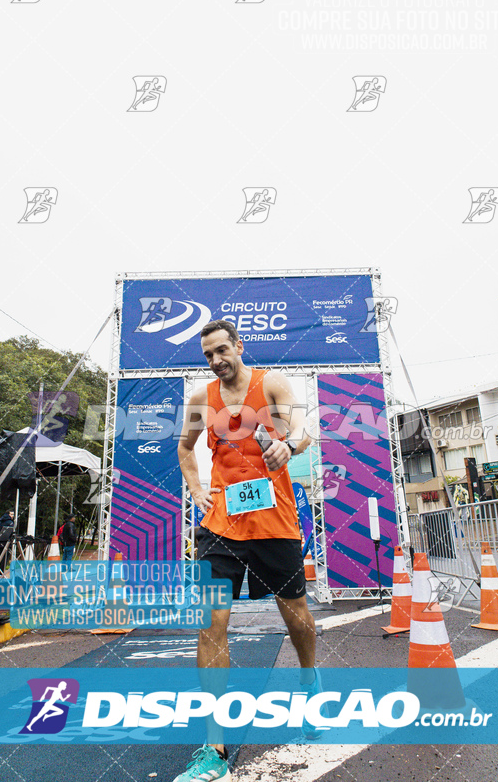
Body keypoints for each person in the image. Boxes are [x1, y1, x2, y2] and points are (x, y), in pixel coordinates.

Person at [174, 320, 320, 782]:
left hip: (274, 522)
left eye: (222, 350)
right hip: (220, 527)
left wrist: (288, 446)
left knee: (296, 615)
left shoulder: (270, 382)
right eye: (208, 355)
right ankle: (213, 746)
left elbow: (303, 430)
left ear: (239, 346)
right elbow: (184, 448)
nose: (216, 360)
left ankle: (309, 679)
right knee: (211, 623)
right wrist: (197, 489)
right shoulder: (202, 400)